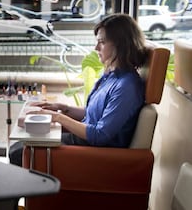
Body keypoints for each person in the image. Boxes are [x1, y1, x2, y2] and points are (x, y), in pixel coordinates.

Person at [9, 13, 149, 166]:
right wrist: (63, 108)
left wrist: (58, 118)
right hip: (85, 143)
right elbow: (92, 114)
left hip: (95, 153)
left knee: (19, 152)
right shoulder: (112, 76)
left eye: (102, 42)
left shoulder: (127, 87)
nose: (96, 48)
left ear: (121, 44)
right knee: (19, 144)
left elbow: (100, 135)